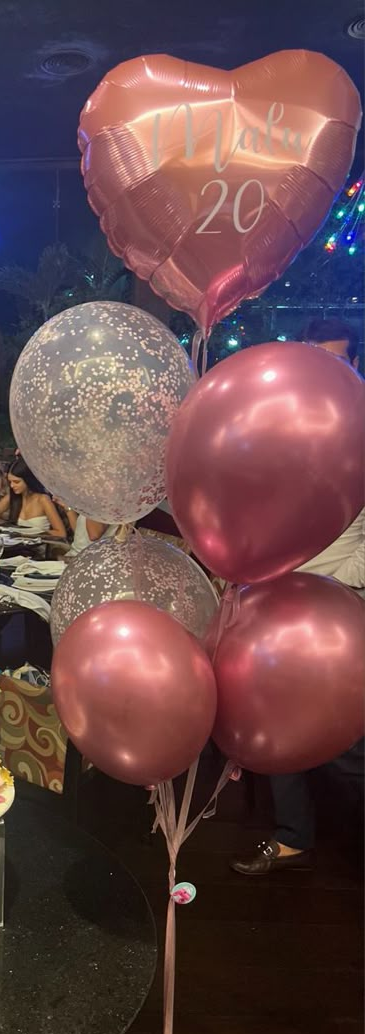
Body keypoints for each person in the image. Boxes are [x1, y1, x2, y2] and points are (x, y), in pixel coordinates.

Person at [231, 317, 364, 875]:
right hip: (279, 600)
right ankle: (292, 834)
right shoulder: (277, 435)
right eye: (314, 358)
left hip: (346, 605)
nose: (322, 374)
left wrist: (341, 588)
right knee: (272, 709)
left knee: (347, 736)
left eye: (337, 361)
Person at [0, 457, 66, 539]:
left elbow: (61, 533)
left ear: (28, 480)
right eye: (10, 482)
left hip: (38, 546)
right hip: (18, 546)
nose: (12, 485)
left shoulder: (43, 499)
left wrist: (32, 533)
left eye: (16, 482)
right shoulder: (14, 497)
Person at [53, 499, 118, 558]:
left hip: (90, 561)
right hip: (75, 557)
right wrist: (67, 507)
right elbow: (80, 533)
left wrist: (90, 500)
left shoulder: (104, 500)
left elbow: (94, 535)